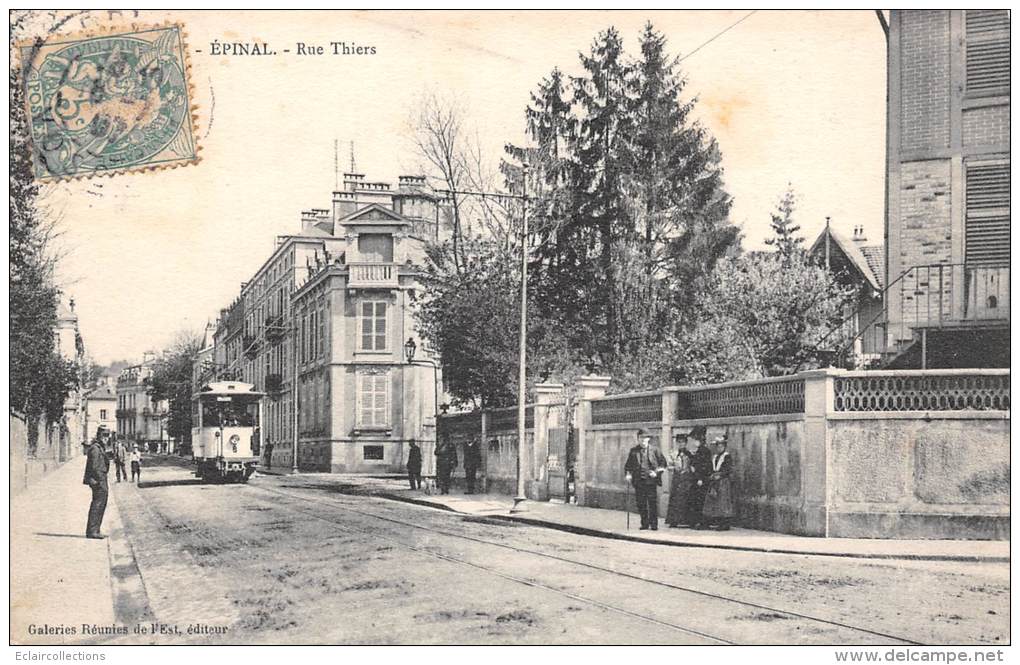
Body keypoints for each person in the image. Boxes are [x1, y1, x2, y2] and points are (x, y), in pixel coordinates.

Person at [624, 428, 668, 530]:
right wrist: (628, 474)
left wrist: (656, 472)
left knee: (652, 503)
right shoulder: (633, 451)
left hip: (651, 482)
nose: (643, 440)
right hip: (638, 482)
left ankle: (654, 524)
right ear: (638, 439)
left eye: (645, 438)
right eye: (641, 438)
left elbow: (663, 464)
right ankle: (644, 524)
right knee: (641, 503)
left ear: (649, 439)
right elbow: (628, 466)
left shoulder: (655, 450)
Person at [703, 436, 736, 530]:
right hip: (714, 480)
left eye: (721, 446)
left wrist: (721, 475)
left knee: (723, 502)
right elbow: (711, 468)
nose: (719, 448)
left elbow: (728, 469)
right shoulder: (715, 457)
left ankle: (724, 524)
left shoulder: (727, 456)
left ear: (724, 446)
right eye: (718, 446)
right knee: (711, 501)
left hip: (723, 481)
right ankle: (711, 521)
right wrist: (712, 475)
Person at [82, 432, 110, 539]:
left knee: (100, 505)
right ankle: (92, 531)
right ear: (99, 436)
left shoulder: (99, 448)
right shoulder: (95, 448)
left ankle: (96, 530)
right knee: (97, 505)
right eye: (104, 436)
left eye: (107, 437)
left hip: (101, 479)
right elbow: (94, 467)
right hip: (98, 481)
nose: (106, 439)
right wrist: (100, 479)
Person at [685, 425, 713, 529]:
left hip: (701, 479)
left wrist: (700, 478)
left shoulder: (704, 451)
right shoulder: (699, 450)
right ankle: (695, 521)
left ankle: (702, 522)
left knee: (701, 501)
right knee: (695, 500)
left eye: (696, 439)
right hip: (697, 479)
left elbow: (705, 467)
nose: (694, 442)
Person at [665, 433, 695, 527]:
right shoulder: (673, 453)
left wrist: (688, 470)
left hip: (687, 478)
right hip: (677, 478)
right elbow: (669, 465)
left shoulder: (690, 453)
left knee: (686, 497)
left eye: (683, 442)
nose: (681, 444)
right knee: (675, 498)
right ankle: (674, 520)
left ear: (686, 443)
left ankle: (686, 520)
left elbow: (693, 464)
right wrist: (674, 468)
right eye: (679, 442)